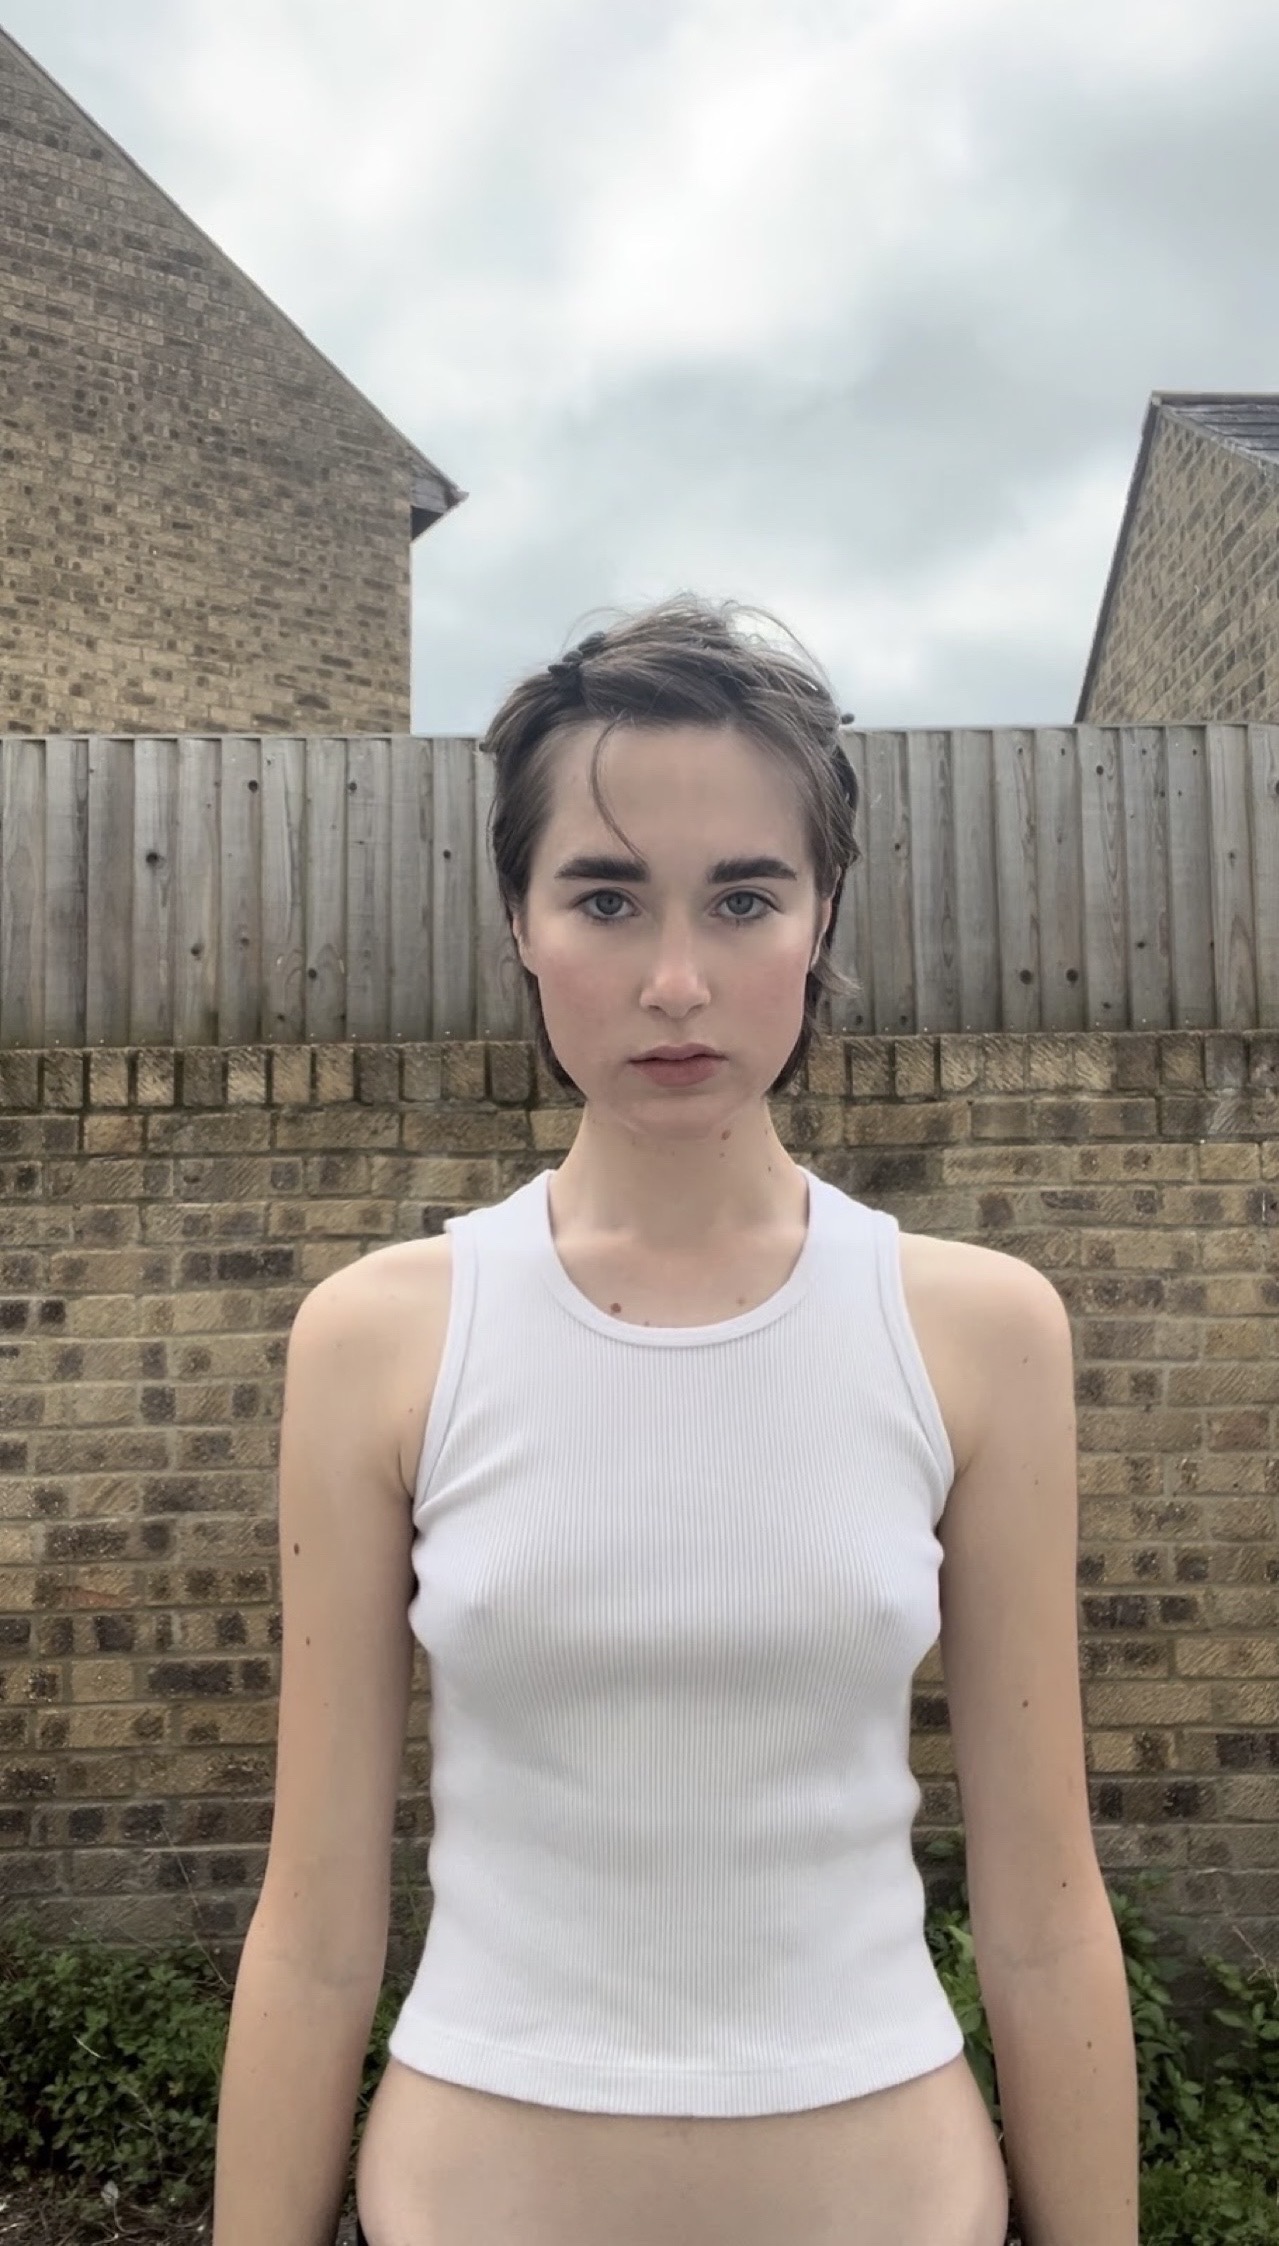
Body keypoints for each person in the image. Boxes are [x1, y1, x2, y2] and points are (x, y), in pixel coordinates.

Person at [212, 595, 1135, 2246]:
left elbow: (1047, 1917)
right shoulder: (380, 1341)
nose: (677, 979)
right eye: (607, 897)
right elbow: (317, 1932)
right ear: (520, 919)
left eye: (744, 897)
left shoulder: (981, 1334)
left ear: (821, 912)